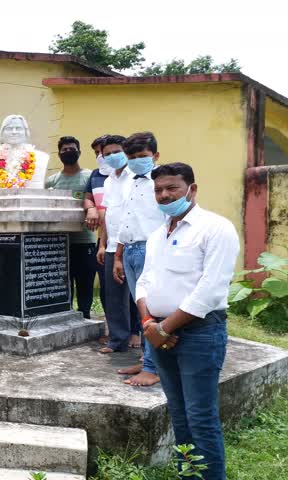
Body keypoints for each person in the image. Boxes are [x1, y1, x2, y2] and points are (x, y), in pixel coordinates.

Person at [137, 162, 239, 480]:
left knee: (200, 417)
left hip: (198, 334)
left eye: (172, 188)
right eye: (158, 190)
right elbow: (144, 282)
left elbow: (209, 291)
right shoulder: (157, 235)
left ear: (192, 189)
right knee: (179, 416)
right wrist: (148, 324)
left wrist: (164, 328)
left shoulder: (215, 228)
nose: (165, 195)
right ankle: (190, 475)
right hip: (159, 334)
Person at [112, 132, 167, 386]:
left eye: (142, 156)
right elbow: (126, 220)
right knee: (141, 309)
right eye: (132, 157)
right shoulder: (130, 181)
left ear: (155, 156)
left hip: (152, 249)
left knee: (152, 310)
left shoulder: (163, 184)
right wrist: (119, 257)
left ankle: (154, 368)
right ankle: (146, 359)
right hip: (131, 250)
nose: (136, 161)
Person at [45, 136, 97, 319]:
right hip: (59, 241)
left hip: (85, 241)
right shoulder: (51, 181)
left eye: (72, 149)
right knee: (62, 282)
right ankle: (64, 315)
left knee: (85, 282)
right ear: (59, 154)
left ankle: (85, 316)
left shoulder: (90, 177)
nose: (68, 152)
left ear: (79, 152)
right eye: (64, 150)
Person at [98, 135, 140, 353]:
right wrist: (103, 244)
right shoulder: (108, 180)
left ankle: (143, 338)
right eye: (107, 154)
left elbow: (131, 215)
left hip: (133, 245)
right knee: (113, 297)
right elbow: (108, 215)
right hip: (112, 245)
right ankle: (118, 340)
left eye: (117, 151)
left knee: (140, 295)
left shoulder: (137, 177)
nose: (112, 156)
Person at [83, 135, 111, 327]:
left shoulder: (126, 176)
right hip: (103, 240)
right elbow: (88, 197)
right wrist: (90, 207)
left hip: (126, 239)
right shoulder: (95, 175)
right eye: (96, 153)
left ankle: (136, 331)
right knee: (106, 287)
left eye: (104, 152)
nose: (100, 156)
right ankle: (113, 328)